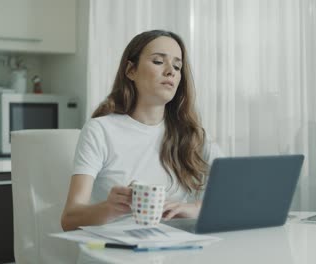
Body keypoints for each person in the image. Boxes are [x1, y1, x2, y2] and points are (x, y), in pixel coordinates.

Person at [61, 29, 222, 231]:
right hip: (114, 253)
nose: (171, 71)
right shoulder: (100, 130)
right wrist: (110, 208)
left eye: (177, 66)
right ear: (131, 71)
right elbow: (69, 219)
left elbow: (234, 197)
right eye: (158, 61)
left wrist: (195, 208)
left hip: (175, 250)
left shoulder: (193, 136)